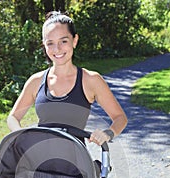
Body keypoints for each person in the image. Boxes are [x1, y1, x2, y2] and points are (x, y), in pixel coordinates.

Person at [7, 11, 127, 145]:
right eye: (50, 43)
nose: (57, 49)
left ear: (74, 40)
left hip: (75, 161)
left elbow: (120, 118)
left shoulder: (91, 80)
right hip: (39, 159)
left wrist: (107, 134)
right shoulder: (36, 81)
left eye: (63, 41)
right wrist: (21, 135)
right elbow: (13, 117)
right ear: (44, 45)